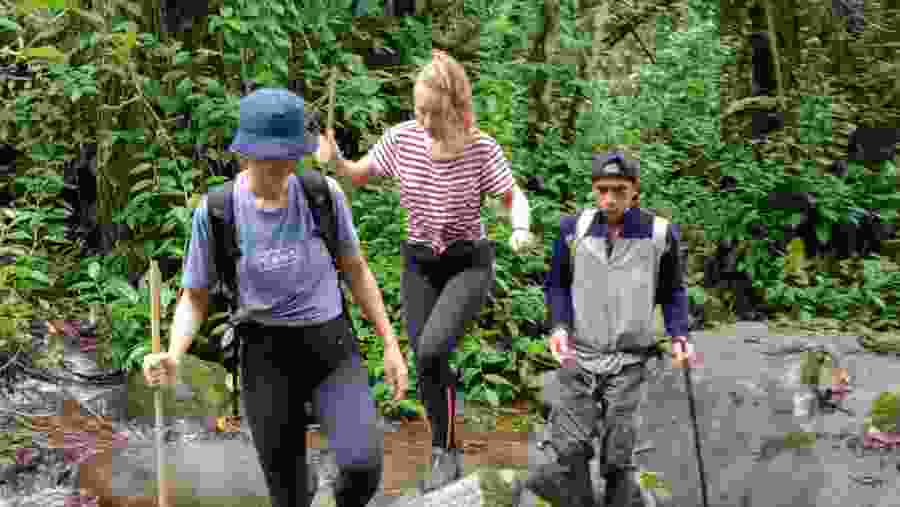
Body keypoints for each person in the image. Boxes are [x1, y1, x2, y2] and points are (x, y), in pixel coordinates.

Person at [142, 88, 408, 507]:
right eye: (271, 161)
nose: (282, 171)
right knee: (289, 496)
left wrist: (390, 344)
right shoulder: (218, 212)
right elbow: (194, 297)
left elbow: (356, 271)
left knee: (362, 466)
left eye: (290, 159)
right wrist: (174, 355)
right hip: (264, 356)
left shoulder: (323, 195)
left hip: (330, 348)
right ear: (245, 155)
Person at [318, 49, 534, 492]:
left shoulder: (480, 148)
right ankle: (445, 446)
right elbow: (359, 174)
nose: (424, 121)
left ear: (455, 107)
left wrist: (520, 226)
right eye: (418, 110)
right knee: (426, 358)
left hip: (467, 264)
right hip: (419, 261)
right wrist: (336, 160)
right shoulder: (403, 140)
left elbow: (513, 195)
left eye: (433, 112)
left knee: (435, 349)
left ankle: (444, 449)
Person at [516, 150, 694, 507]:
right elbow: (557, 285)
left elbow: (673, 291)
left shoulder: (660, 235)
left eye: (618, 189)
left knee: (618, 455)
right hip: (580, 356)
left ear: (634, 190)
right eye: (602, 190)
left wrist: (679, 336)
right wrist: (559, 327)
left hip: (629, 362)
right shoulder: (573, 231)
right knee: (570, 448)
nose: (609, 199)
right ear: (594, 189)